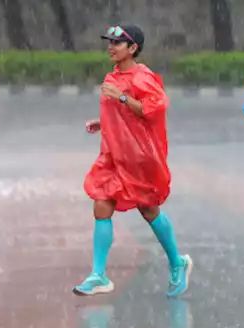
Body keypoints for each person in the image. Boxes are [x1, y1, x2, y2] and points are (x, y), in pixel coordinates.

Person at [75, 24, 192, 298]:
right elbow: (122, 115)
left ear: (133, 48)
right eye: (110, 42)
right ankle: (98, 274)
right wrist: (103, 123)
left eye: (118, 43)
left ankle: (178, 262)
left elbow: (154, 109)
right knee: (101, 205)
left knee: (149, 211)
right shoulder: (112, 76)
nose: (111, 47)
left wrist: (123, 97)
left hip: (140, 159)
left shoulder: (144, 77)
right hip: (113, 155)